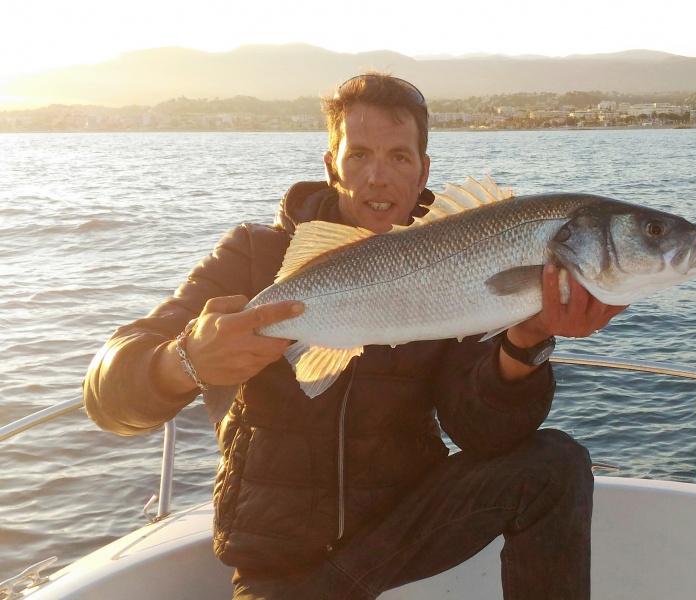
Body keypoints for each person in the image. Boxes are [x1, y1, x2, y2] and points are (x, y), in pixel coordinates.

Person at [84, 72, 625, 599]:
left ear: (422, 172)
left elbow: (482, 434)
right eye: (359, 154)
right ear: (332, 166)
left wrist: (526, 341)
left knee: (554, 464)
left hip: (401, 532)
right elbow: (108, 397)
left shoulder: (461, 263)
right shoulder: (254, 256)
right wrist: (184, 362)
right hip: (278, 555)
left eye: (399, 157)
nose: (378, 177)